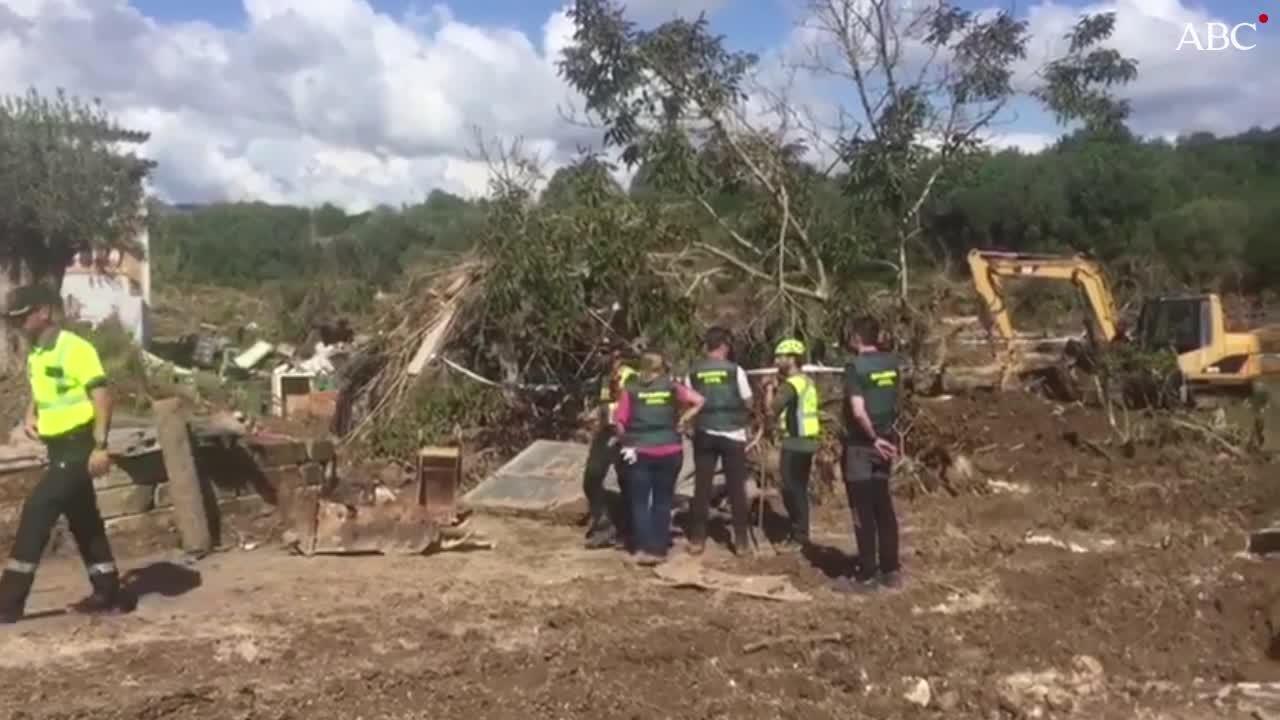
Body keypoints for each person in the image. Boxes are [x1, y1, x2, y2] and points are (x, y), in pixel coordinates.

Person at [0, 285, 136, 623]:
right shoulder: (37, 353)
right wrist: (31, 413)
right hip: (57, 444)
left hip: (78, 445)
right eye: (13, 319)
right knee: (83, 518)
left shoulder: (76, 349)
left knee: (37, 510)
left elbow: (102, 397)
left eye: (22, 316)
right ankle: (109, 592)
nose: (17, 324)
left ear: (44, 311)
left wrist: (101, 447)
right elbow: (45, 389)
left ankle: (8, 603)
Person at [613, 351, 704, 565]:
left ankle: (643, 548)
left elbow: (620, 422)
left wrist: (625, 442)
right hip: (670, 450)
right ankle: (659, 549)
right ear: (661, 368)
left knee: (640, 501)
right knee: (663, 500)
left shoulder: (631, 390)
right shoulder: (672, 387)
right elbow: (699, 400)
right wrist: (683, 419)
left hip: (640, 451)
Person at [834, 315, 903, 594]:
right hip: (886, 440)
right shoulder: (891, 363)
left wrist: (871, 438)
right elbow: (895, 402)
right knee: (883, 505)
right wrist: (886, 437)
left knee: (861, 509)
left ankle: (867, 573)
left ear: (856, 338)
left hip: (863, 446)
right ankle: (891, 569)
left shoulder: (854, 367)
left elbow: (858, 409)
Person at [684, 327, 753, 556]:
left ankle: (697, 539)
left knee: (701, 487)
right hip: (733, 433)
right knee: (736, 488)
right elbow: (748, 400)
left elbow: (688, 402)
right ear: (724, 346)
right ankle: (741, 541)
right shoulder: (736, 371)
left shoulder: (693, 371)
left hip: (704, 433)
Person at [762, 338, 820, 550]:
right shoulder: (807, 381)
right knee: (799, 488)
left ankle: (799, 535)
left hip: (795, 443)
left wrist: (768, 389)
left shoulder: (791, 385)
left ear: (792, 359)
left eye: (780, 356)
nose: (776, 360)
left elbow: (771, 410)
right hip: (808, 440)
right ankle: (801, 532)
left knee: (790, 488)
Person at [582, 343, 637, 549]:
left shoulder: (630, 376)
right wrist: (596, 418)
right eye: (598, 351)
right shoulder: (605, 378)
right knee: (592, 477)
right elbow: (607, 404)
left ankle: (629, 530)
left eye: (604, 352)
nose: (598, 356)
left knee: (628, 480)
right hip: (606, 430)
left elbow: (632, 403)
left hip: (626, 432)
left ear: (617, 354)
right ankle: (603, 523)